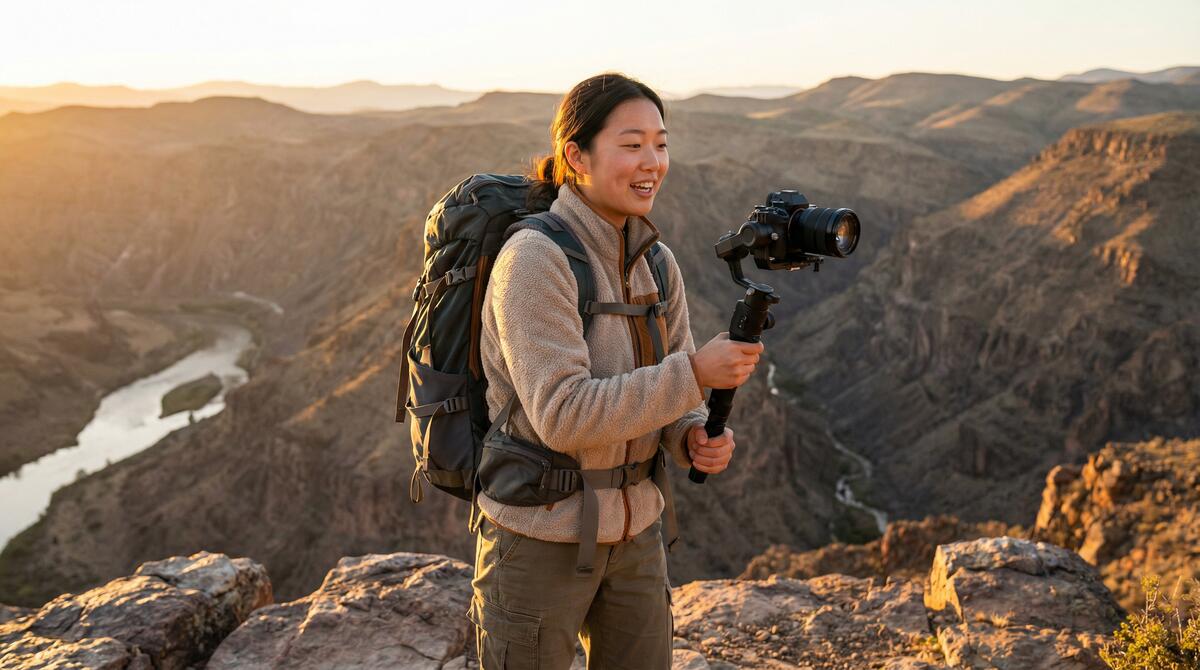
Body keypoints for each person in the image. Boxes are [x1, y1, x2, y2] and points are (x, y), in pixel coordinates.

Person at [471, 72, 765, 669]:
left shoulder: (657, 262)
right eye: (631, 145)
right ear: (575, 156)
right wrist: (695, 374)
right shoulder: (534, 260)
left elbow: (679, 396)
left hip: (637, 535)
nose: (652, 161)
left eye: (660, 143)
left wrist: (689, 436)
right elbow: (563, 415)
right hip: (538, 538)